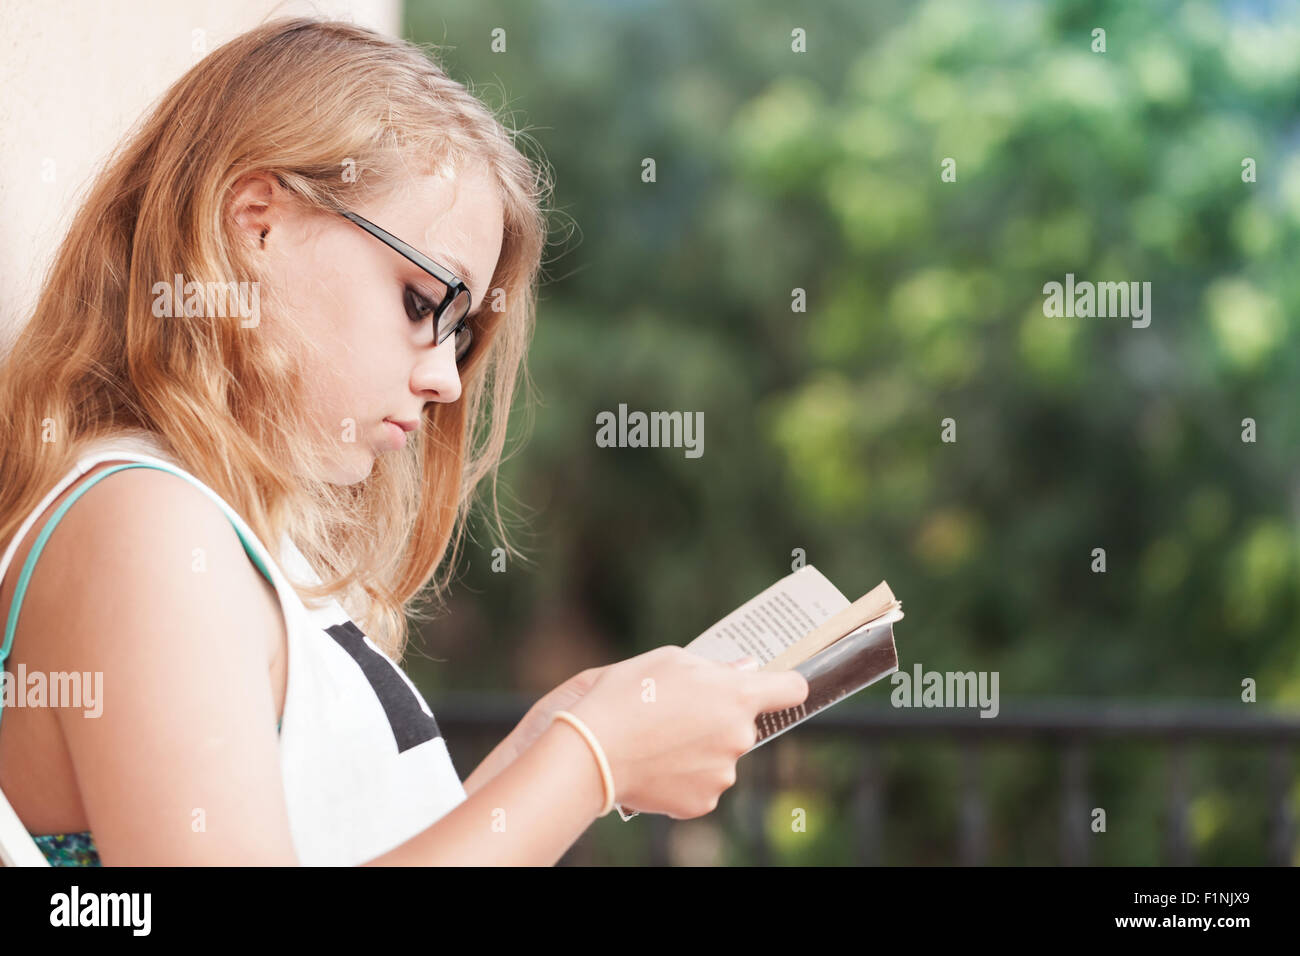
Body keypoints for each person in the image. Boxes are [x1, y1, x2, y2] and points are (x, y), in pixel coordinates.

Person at [0, 17, 808, 867]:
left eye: (459, 334)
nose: (446, 380)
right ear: (255, 221)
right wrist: (587, 762)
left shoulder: (204, 527)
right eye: (423, 303)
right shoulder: (148, 526)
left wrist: (543, 752)